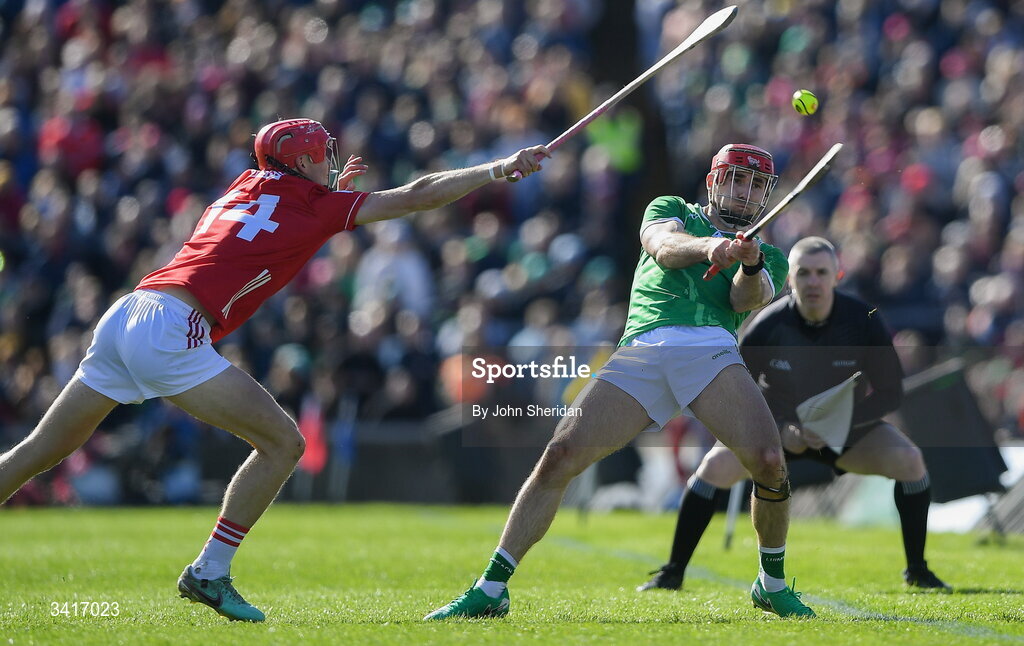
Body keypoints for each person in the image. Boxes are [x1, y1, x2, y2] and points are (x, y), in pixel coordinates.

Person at [0, 118, 550, 622]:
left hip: (128, 312)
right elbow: (414, 196)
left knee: (40, 450)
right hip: (174, 327)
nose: (330, 162)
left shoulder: (243, 185)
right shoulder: (315, 205)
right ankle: (209, 572)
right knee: (283, 444)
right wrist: (497, 169)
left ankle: (209, 571)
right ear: (304, 160)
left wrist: (326, 192)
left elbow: (280, 218)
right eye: (322, 155)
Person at [426, 144, 817, 620]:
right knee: (560, 457)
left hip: (709, 348)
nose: (746, 190)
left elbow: (743, 301)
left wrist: (748, 262)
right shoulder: (672, 209)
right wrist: (711, 247)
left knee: (770, 462)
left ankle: (770, 583)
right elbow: (664, 248)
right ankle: (491, 587)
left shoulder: (770, 254)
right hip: (644, 347)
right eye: (737, 178)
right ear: (713, 181)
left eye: (757, 184)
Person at [638, 236, 950, 593]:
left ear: (838, 275)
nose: (813, 282)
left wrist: (841, 424)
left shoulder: (862, 321)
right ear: (790, 280)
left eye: (821, 273)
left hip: (843, 432)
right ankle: (673, 572)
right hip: (774, 432)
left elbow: (892, 392)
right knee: (712, 470)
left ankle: (918, 571)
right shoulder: (768, 326)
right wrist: (782, 428)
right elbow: (737, 388)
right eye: (804, 273)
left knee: (909, 461)